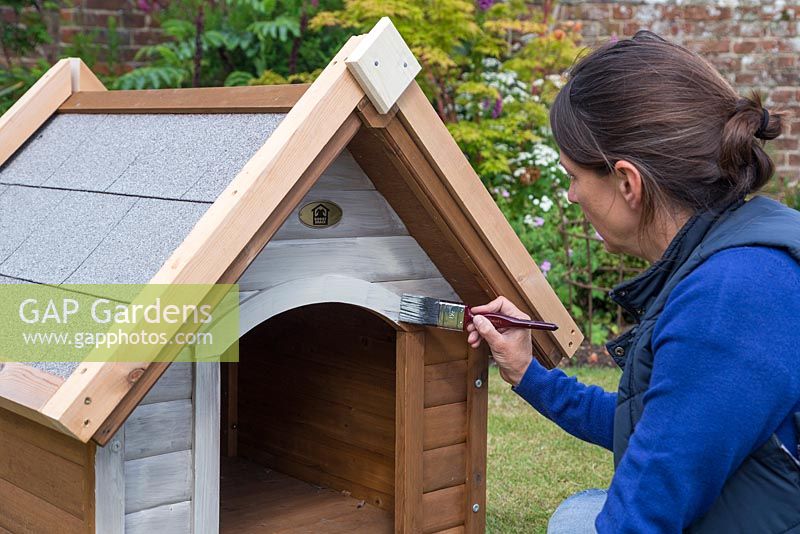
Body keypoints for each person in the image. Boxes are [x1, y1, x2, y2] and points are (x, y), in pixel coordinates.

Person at [466, 31, 800, 533]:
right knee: (577, 512)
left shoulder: (729, 300)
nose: (573, 196)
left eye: (574, 176)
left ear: (627, 182)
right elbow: (657, 430)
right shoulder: (734, 253)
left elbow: (638, 518)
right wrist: (527, 372)